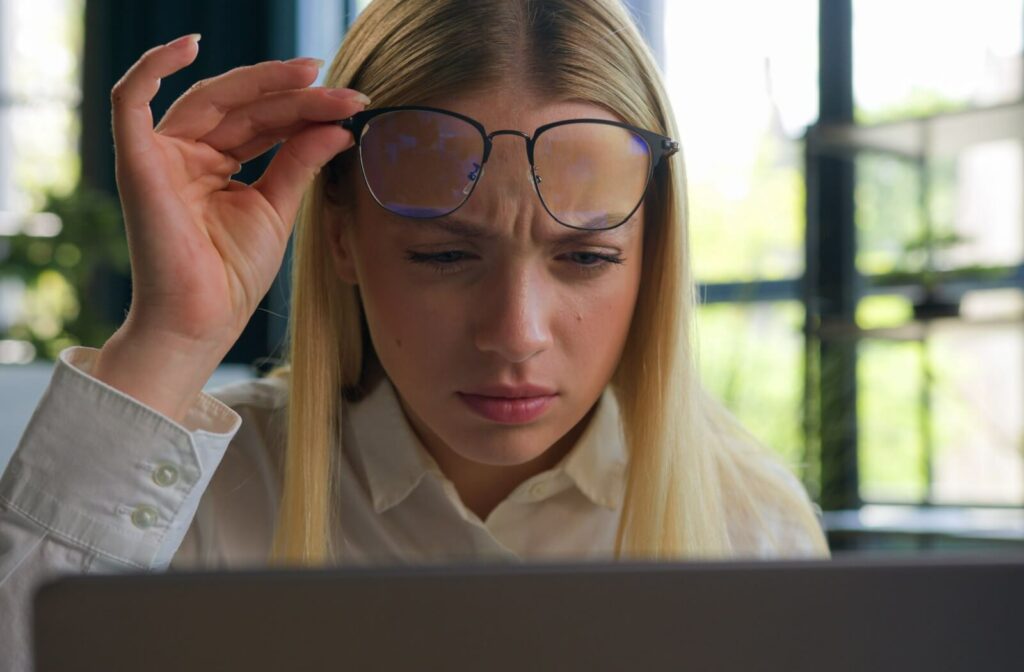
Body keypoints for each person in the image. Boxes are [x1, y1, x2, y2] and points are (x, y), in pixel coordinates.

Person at [0, 0, 830, 668]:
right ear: (340, 241)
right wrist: (169, 342)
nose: (515, 334)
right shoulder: (200, 498)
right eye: (443, 255)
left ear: (653, 258)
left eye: (583, 256)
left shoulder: (751, 524)